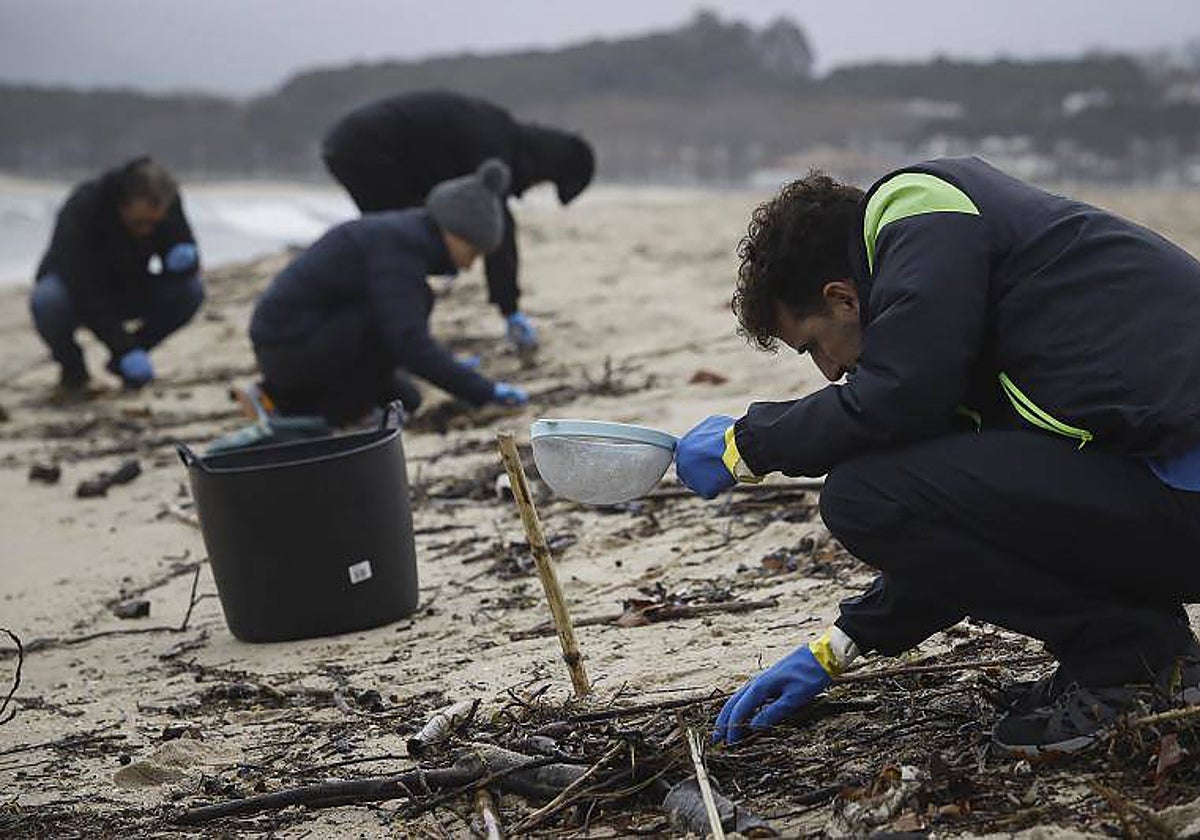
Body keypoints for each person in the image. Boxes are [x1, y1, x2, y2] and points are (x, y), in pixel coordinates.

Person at [674, 157, 1200, 755]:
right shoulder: (972, 312)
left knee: (861, 494)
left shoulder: (924, 213)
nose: (829, 371)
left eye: (812, 347)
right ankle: (1147, 655)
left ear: (843, 298)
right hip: (1169, 500)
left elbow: (898, 398)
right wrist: (835, 648)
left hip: (1183, 494)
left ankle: (1131, 663)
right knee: (886, 488)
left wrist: (749, 443)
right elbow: (974, 523)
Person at [249, 159, 529, 428]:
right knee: (396, 319)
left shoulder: (403, 237)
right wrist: (484, 390)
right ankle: (297, 408)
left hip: (305, 338)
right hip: (285, 346)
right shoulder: (398, 248)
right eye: (472, 252)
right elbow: (407, 341)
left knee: (406, 399)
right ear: (453, 232)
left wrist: (451, 370)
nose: (469, 265)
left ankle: (288, 400)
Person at [321, 90, 595, 351]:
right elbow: (498, 228)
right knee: (398, 246)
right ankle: (387, 337)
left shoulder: (498, 132)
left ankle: (380, 328)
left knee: (402, 242)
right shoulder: (493, 143)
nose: (531, 188)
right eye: (542, 183)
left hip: (353, 142)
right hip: (365, 146)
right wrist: (510, 309)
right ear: (549, 166)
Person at [30, 157, 204, 397]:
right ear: (121, 204)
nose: (146, 231)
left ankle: (122, 362)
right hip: (75, 290)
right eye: (139, 223)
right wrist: (124, 347)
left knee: (191, 292)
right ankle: (73, 370)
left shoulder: (167, 201)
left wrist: (185, 259)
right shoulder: (83, 207)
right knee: (47, 301)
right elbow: (83, 287)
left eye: (154, 224)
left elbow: (180, 245)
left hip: (131, 285)